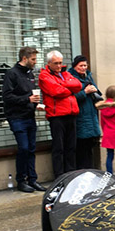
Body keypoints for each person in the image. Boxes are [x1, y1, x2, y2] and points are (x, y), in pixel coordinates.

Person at [1, 46, 46, 193]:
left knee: (31, 149)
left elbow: (29, 96)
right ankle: (21, 180)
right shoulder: (11, 74)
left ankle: (32, 180)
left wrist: (35, 104)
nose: (35, 62)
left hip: (29, 116)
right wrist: (28, 99)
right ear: (24, 58)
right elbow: (7, 97)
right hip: (16, 117)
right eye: (33, 59)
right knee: (24, 148)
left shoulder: (29, 74)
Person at [38, 50, 82, 179]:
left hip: (71, 114)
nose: (58, 66)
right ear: (49, 63)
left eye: (60, 63)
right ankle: (59, 175)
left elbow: (78, 85)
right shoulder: (44, 75)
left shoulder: (65, 74)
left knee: (71, 147)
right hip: (57, 116)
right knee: (59, 147)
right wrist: (69, 89)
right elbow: (56, 91)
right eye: (55, 63)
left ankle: (71, 173)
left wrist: (63, 84)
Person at [68, 55, 102, 170]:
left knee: (89, 147)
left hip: (91, 116)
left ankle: (90, 171)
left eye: (85, 65)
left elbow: (97, 92)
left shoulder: (88, 76)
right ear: (75, 66)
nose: (83, 68)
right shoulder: (71, 78)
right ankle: (83, 171)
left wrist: (95, 90)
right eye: (81, 66)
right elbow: (70, 98)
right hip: (80, 117)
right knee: (81, 148)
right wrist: (85, 92)